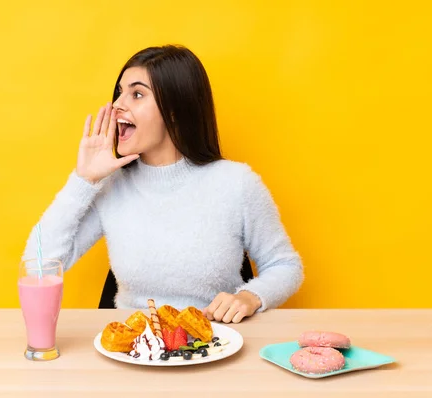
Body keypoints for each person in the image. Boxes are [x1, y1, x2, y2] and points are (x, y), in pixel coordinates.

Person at [23, 45, 303, 323]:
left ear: (175, 110)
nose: (118, 104)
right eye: (120, 92)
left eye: (137, 94)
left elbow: (285, 266)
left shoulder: (236, 183)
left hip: (215, 343)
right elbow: (37, 266)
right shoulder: (111, 186)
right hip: (132, 347)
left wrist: (249, 297)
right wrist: (83, 180)